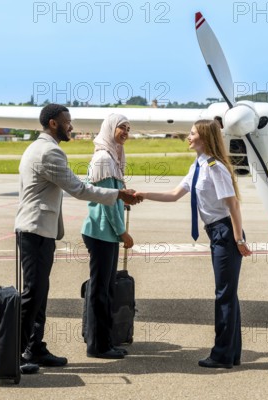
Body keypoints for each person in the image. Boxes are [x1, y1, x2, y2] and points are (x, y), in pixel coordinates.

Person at [14, 104, 141, 374]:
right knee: (33, 294)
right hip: (35, 231)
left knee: (39, 294)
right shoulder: (50, 152)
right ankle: (14, 353)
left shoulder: (38, 148)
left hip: (40, 231)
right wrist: (118, 195)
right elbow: (79, 189)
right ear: (53, 124)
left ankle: (35, 347)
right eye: (67, 122)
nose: (71, 126)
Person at [135, 119, 252, 369]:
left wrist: (239, 239)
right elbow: (175, 194)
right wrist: (142, 194)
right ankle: (232, 353)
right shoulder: (198, 165)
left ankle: (222, 355)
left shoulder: (215, 167)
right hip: (215, 232)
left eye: (192, 134)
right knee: (227, 294)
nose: (188, 137)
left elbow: (233, 205)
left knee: (224, 296)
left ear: (205, 138)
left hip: (225, 233)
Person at [81, 114, 133, 359]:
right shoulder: (104, 158)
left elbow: (113, 195)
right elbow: (109, 204)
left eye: (128, 128)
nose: (125, 132)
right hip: (102, 232)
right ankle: (98, 345)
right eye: (122, 127)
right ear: (110, 128)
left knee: (105, 290)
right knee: (100, 292)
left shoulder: (111, 156)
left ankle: (104, 341)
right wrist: (123, 232)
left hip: (106, 233)